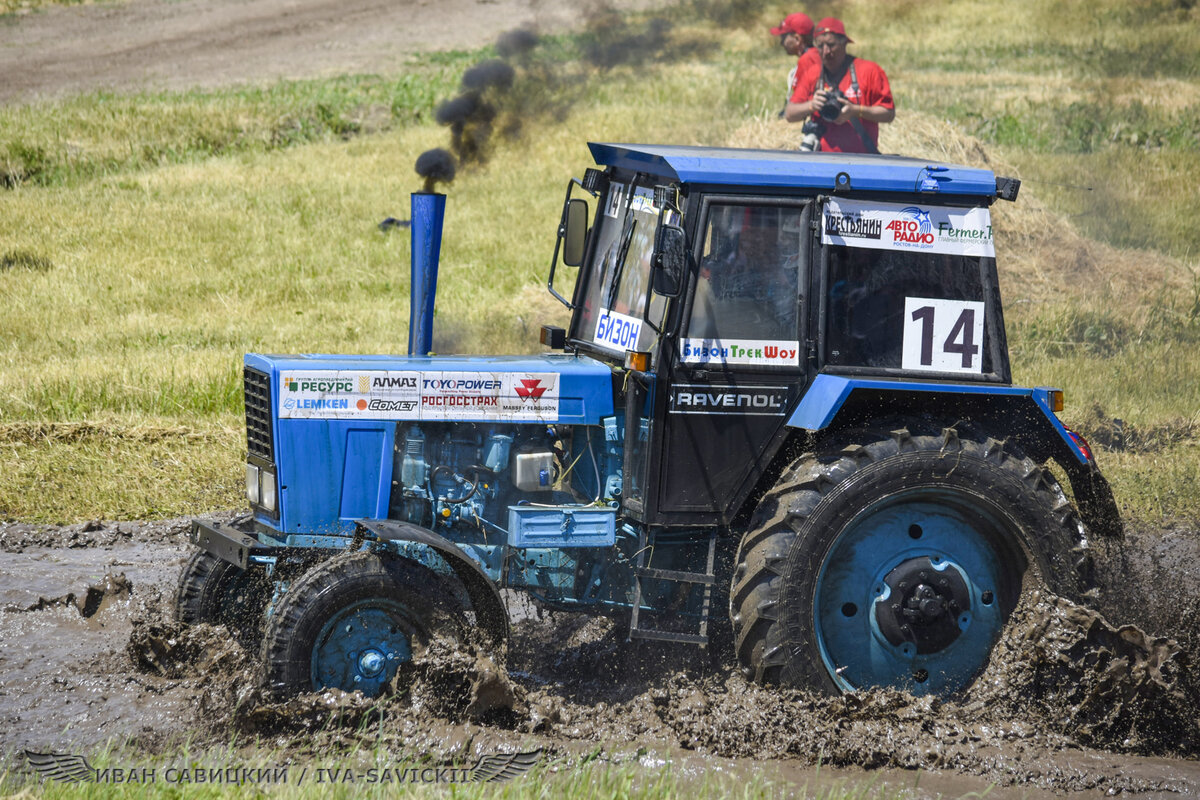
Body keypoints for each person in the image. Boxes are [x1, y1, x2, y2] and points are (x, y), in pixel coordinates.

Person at [785, 18, 894, 153]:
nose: (826, 51)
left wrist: (856, 110)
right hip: (822, 160)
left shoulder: (869, 71)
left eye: (831, 45)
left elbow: (888, 114)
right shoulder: (812, 73)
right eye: (820, 46)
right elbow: (789, 114)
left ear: (844, 44)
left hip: (862, 160)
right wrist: (812, 105)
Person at [768, 12, 819, 111]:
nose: (781, 43)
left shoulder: (807, 61)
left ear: (797, 39)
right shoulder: (817, 55)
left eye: (783, 38)